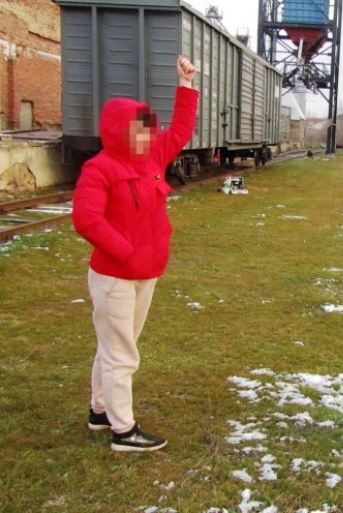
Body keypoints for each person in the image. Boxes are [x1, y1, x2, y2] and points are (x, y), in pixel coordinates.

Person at [72, 55, 199, 452]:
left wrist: (187, 85)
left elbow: (180, 130)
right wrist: (125, 251)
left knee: (115, 343)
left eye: (149, 130)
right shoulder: (99, 169)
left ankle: (100, 411)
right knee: (120, 351)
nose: (149, 136)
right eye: (139, 131)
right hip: (116, 276)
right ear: (118, 132)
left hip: (146, 271)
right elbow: (86, 219)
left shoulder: (152, 158)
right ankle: (123, 431)